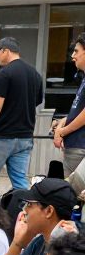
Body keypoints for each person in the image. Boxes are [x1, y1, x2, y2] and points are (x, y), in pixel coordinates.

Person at [0, 37, 43, 191]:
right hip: (25, 136)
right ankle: (24, 212)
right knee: (20, 179)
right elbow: (37, 101)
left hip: (2, 135)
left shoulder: (5, 73)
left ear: (5, 50)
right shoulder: (34, 73)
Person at [52, 32, 85, 174]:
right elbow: (79, 109)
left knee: (73, 194)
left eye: (76, 51)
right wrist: (62, 122)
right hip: (76, 146)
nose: (73, 56)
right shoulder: (83, 79)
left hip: (80, 146)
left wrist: (63, 131)